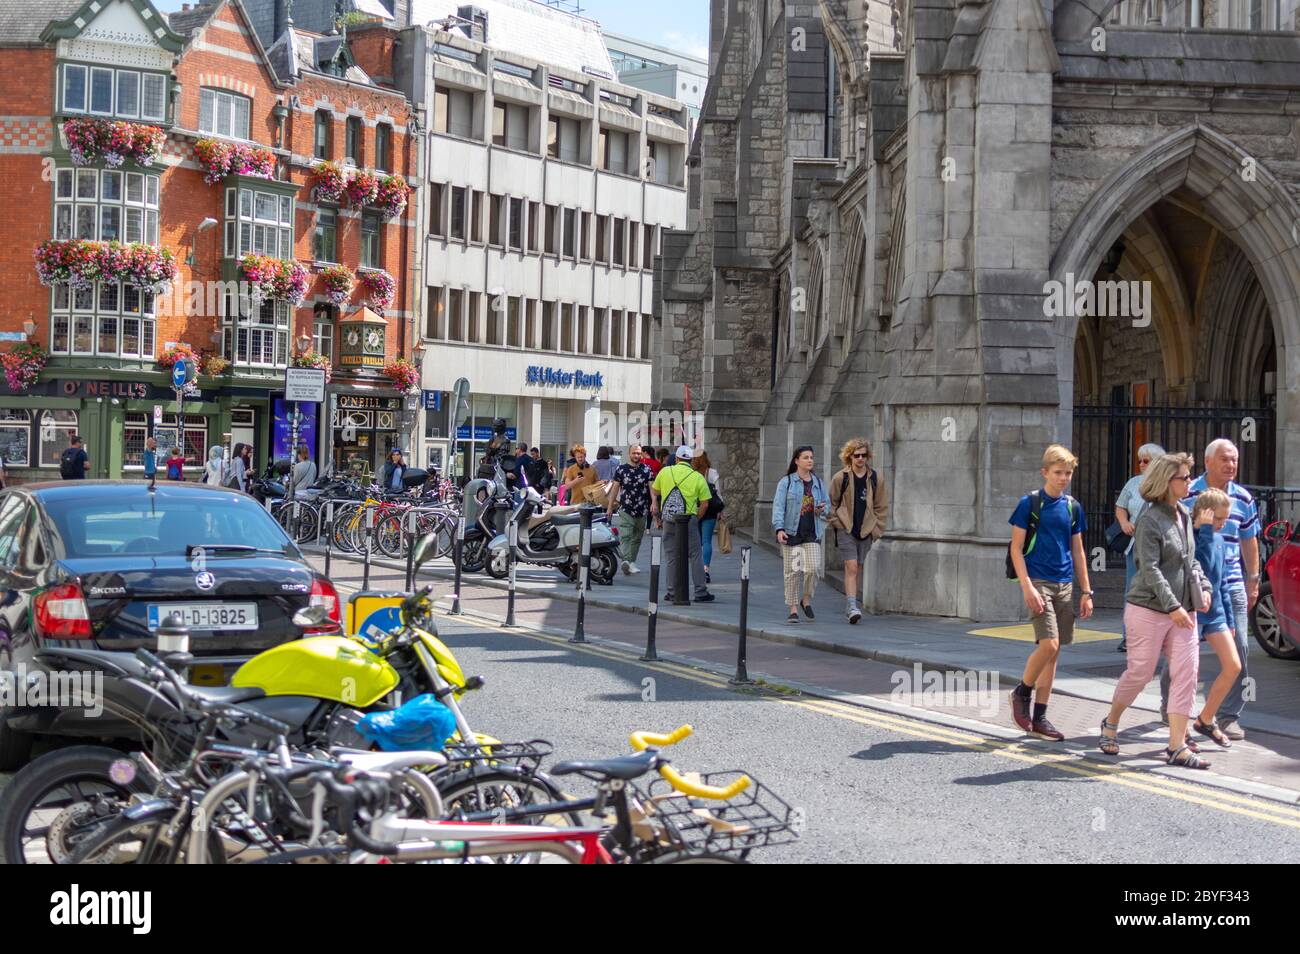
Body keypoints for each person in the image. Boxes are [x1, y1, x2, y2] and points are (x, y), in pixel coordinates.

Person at [1099, 453, 1212, 769]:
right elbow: (1147, 568)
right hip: (1148, 608)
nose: (1190, 482)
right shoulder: (1150, 519)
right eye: (1185, 478)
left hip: (1184, 612)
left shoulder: (1185, 515)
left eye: (1189, 477)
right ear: (1167, 482)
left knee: (1186, 675)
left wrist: (1204, 588)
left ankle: (1176, 746)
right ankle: (1110, 723)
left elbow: (1191, 560)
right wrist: (1172, 605)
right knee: (1141, 673)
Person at [1007, 444, 1093, 742]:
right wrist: (1027, 585)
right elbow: (1016, 549)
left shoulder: (1072, 506)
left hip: (1065, 584)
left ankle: (1041, 716)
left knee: (1054, 653)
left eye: (1068, 473)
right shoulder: (1029, 504)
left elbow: (1079, 550)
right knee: (1049, 644)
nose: (1063, 478)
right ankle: (1021, 693)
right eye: (1058, 473)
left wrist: (1087, 591)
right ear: (1045, 472)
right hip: (1039, 581)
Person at [1175, 439, 1259, 741]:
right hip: (1192, 590)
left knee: (1240, 651)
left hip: (1230, 585)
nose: (1231, 465)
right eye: (1225, 459)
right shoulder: (1188, 492)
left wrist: (1253, 580)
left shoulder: (1244, 498)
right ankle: (1171, 709)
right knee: (1182, 656)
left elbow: (1250, 540)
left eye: (1235, 460)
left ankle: (1226, 716)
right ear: (1208, 462)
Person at [827, 438, 889, 624]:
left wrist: (876, 530)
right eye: (857, 455)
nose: (861, 459)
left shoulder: (876, 479)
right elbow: (831, 503)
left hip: (866, 530)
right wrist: (838, 523)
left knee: (858, 568)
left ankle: (851, 604)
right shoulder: (841, 478)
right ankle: (852, 606)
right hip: (846, 529)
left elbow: (881, 506)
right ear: (849, 457)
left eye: (864, 455)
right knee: (851, 566)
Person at [1113, 443, 1166, 652]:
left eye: (1146, 460)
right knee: (1133, 590)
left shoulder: (1166, 484)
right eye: (1140, 460)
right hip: (1135, 546)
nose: (1142, 464)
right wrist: (1124, 523)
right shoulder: (1133, 483)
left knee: (1160, 588)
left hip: (1159, 546)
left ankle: (1157, 636)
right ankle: (1130, 637)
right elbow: (1120, 507)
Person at [772, 445, 830, 623]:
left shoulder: (818, 483)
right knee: (793, 571)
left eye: (811, 457)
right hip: (791, 533)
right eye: (806, 457)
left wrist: (822, 509)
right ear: (797, 461)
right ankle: (793, 609)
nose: (810, 460)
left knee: (813, 568)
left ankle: (806, 599)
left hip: (812, 532)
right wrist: (779, 529)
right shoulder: (786, 482)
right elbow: (779, 507)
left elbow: (827, 506)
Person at [650, 445, 714, 602]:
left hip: (669, 520)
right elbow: (705, 504)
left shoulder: (665, 472)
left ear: (677, 459)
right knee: (695, 555)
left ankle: (671, 591)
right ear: (691, 460)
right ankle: (700, 591)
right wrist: (696, 518)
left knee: (671, 556)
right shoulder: (697, 476)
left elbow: (655, 491)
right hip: (688, 520)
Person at [608, 444, 652, 574]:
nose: (636, 455)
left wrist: (654, 503)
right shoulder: (621, 469)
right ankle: (626, 560)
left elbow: (651, 487)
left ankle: (631, 562)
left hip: (642, 509)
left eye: (638, 453)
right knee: (626, 535)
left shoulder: (646, 469)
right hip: (625, 508)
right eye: (634, 453)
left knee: (637, 537)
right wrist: (610, 507)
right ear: (629, 454)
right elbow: (615, 488)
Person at [692, 450, 722, 583]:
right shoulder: (712, 473)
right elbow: (719, 493)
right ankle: (705, 570)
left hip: (695, 509)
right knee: (706, 541)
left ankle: (697, 569)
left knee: (696, 541)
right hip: (710, 510)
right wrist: (721, 511)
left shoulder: (692, 473)